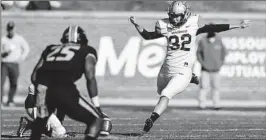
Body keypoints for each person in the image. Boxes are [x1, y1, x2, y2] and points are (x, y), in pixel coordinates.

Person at [129, 1, 250, 133]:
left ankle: (152, 119)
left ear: (185, 14)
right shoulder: (164, 25)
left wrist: (237, 26)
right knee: (160, 91)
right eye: (172, 15)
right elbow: (148, 36)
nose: (174, 18)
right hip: (166, 69)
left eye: (177, 15)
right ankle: (191, 77)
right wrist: (137, 25)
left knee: (165, 94)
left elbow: (213, 28)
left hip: (182, 70)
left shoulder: (193, 24)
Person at [28, 25, 107, 140]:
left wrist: (43, 92)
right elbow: (90, 77)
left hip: (42, 90)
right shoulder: (87, 50)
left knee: (40, 123)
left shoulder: (50, 48)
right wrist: (97, 105)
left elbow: (34, 76)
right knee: (97, 119)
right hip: (64, 88)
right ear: (83, 39)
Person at [1, 21, 30, 107]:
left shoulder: (19, 39)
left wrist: (22, 57)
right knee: (1, 83)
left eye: (12, 29)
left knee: (14, 83)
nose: (11, 31)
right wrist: (4, 53)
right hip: (5, 63)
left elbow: (26, 48)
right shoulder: (3, 39)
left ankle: (10, 100)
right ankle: (1, 101)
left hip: (14, 63)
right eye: (9, 29)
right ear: (7, 30)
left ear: (14, 29)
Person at [197, 32, 227, 109]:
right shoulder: (203, 41)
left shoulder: (219, 41)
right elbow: (198, 54)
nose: (211, 39)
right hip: (205, 70)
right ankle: (202, 104)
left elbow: (224, 53)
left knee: (216, 88)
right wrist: (203, 64)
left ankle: (216, 104)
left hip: (216, 70)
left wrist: (220, 64)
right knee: (204, 87)